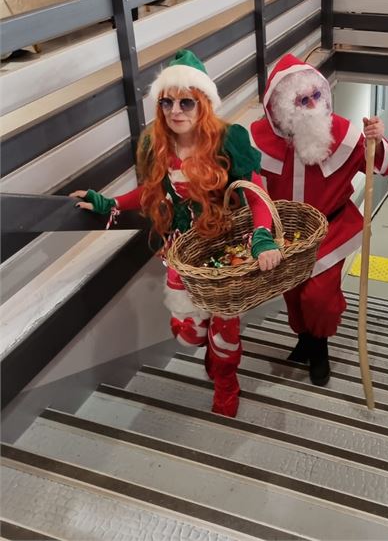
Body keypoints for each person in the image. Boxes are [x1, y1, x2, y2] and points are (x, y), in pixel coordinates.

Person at [71, 49, 282, 417]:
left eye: (186, 102)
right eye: (167, 102)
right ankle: (212, 356)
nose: (176, 111)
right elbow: (151, 191)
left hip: (222, 254)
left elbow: (255, 194)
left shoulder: (228, 141)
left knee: (224, 332)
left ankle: (226, 382)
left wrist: (263, 236)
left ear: (203, 103)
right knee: (189, 333)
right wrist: (112, 203)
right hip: (180, 254)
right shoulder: (158, 145)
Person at [251, 54, 388, 386]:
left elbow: (384, 167)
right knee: (293, 295)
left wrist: (377, 140)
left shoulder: (342, 133)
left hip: (330, 233)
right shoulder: (259, 138)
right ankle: (304, 339)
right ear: (284, 107)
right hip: (285, 238)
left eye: (317, 95)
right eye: (302, 100)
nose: (313, 105)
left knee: (318, 297)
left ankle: (320, 349)